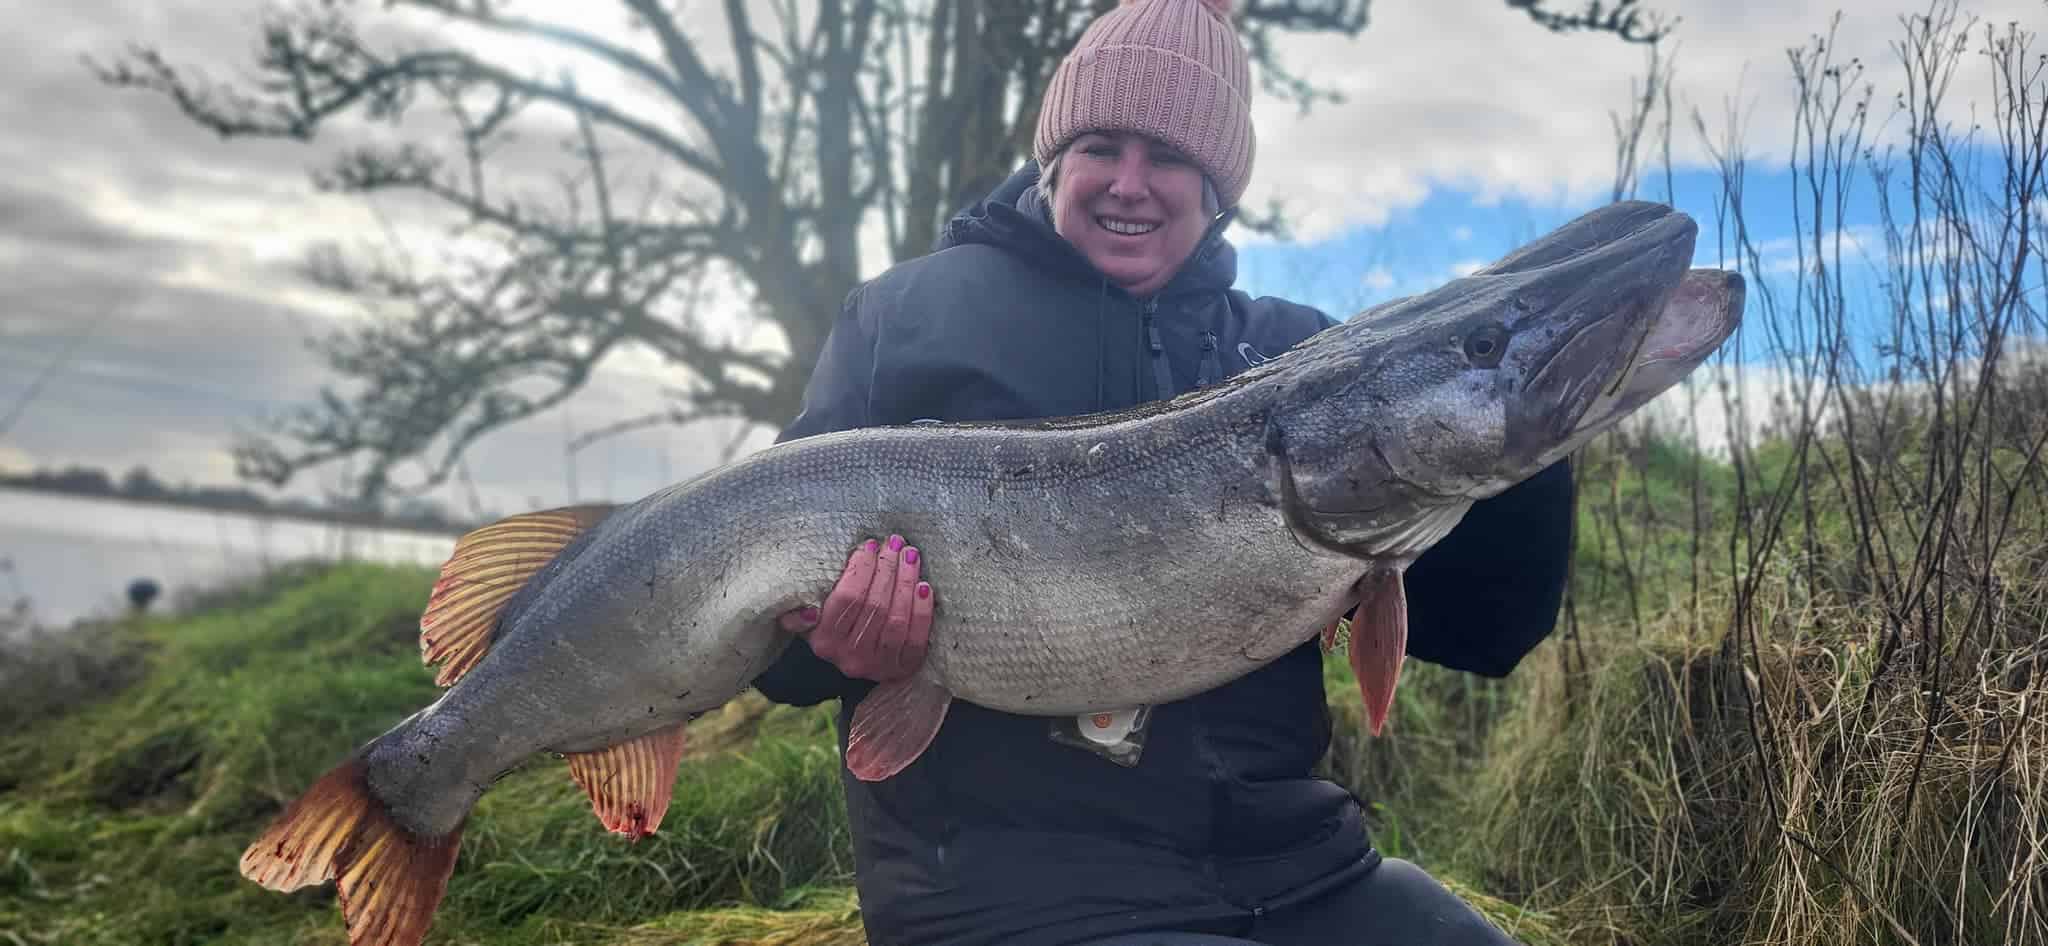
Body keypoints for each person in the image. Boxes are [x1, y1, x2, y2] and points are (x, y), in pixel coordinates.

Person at [753, 0, 1576, 942]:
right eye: (1102, 144)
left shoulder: (1300, 360)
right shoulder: (907, 321)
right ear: (1053, 156)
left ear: (1220, 186)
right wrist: (831, 645)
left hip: (1293, 864)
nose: (1131, 184)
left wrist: (1530, 425)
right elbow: (765, 643)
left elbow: (1491, 627)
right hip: (1007, 893)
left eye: (1172, 157)